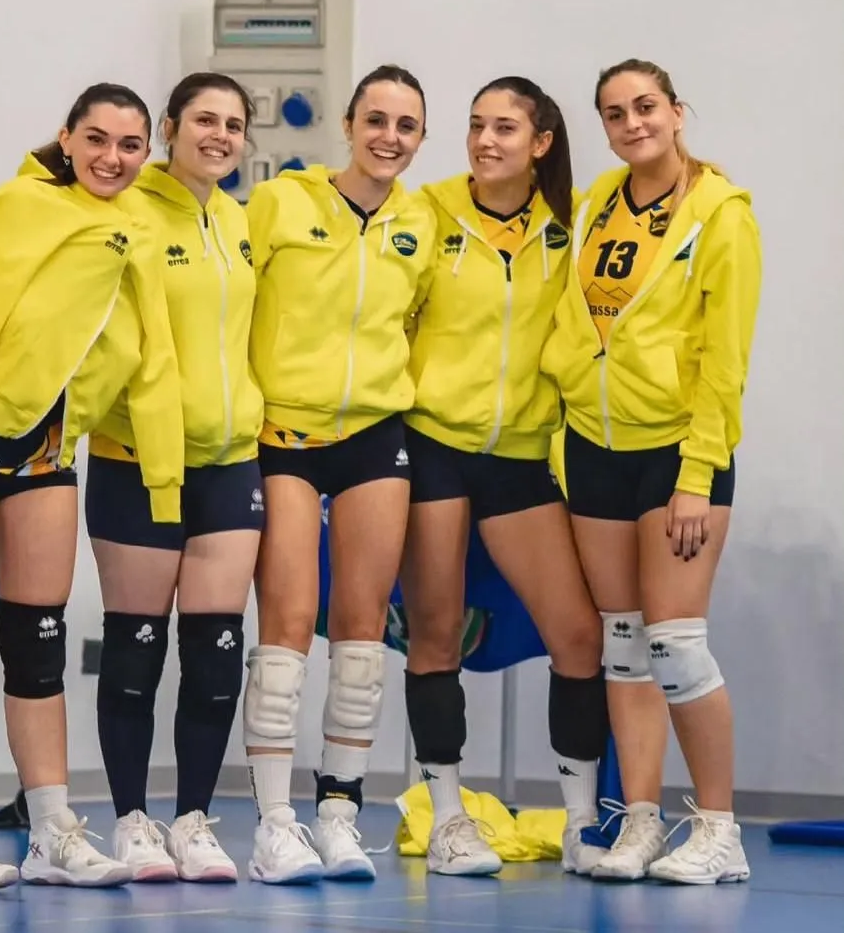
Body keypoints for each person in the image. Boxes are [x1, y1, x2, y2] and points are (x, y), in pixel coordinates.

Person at [0, 83, 185, 891]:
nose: (111, 158)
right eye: (96, 139)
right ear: (66, 137)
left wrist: (164, 478)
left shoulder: (139, 229)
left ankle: (51, 827)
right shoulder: (14, 207)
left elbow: (151, 355)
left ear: (147, 153)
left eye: (129, 146)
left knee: (38, 643)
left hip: (49, 453)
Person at [541, 58, 761, 884]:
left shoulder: (721, 214)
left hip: (676, 453)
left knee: (676, 644)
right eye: (614, 113)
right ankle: (639, 822)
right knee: (625, 644)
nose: (632, 124)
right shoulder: (598, 202)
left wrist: (698, 473)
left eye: (645, 107)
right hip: (594, 447)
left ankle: (720, 831)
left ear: (676, 111)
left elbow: (725, 360)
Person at [402, 77, 608, 878]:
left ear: (541, 142)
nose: (486, 141)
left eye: (505, 128)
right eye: (476, 125)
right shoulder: (430, 211)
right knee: (435, 633)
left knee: (579, 636)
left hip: (521, 453)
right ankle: (449, 818)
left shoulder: (572, 224)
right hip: (432, 445)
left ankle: (583, 822)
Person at [241, 64, 438, 885]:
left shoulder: (421, 222)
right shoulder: (280, 202)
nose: (389, 137)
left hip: (374, 434)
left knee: (362, 631)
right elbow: (232, 301)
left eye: (406, 125)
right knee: (288, 622)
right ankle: (274, 824)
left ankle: (339, 814)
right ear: (349, 125)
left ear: (419, 138)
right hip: (284, 433)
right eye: (376, 120)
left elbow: (418, 321)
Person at [85, 72, 264, 884]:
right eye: (204, 119)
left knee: (217, 654)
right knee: (134, 651)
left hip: (231, 459)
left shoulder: (238, 220)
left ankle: (193, 820)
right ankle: (131, 820)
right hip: (139, 462)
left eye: (233, 124)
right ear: (169, 127)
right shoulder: (128, 211)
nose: (219, 135)